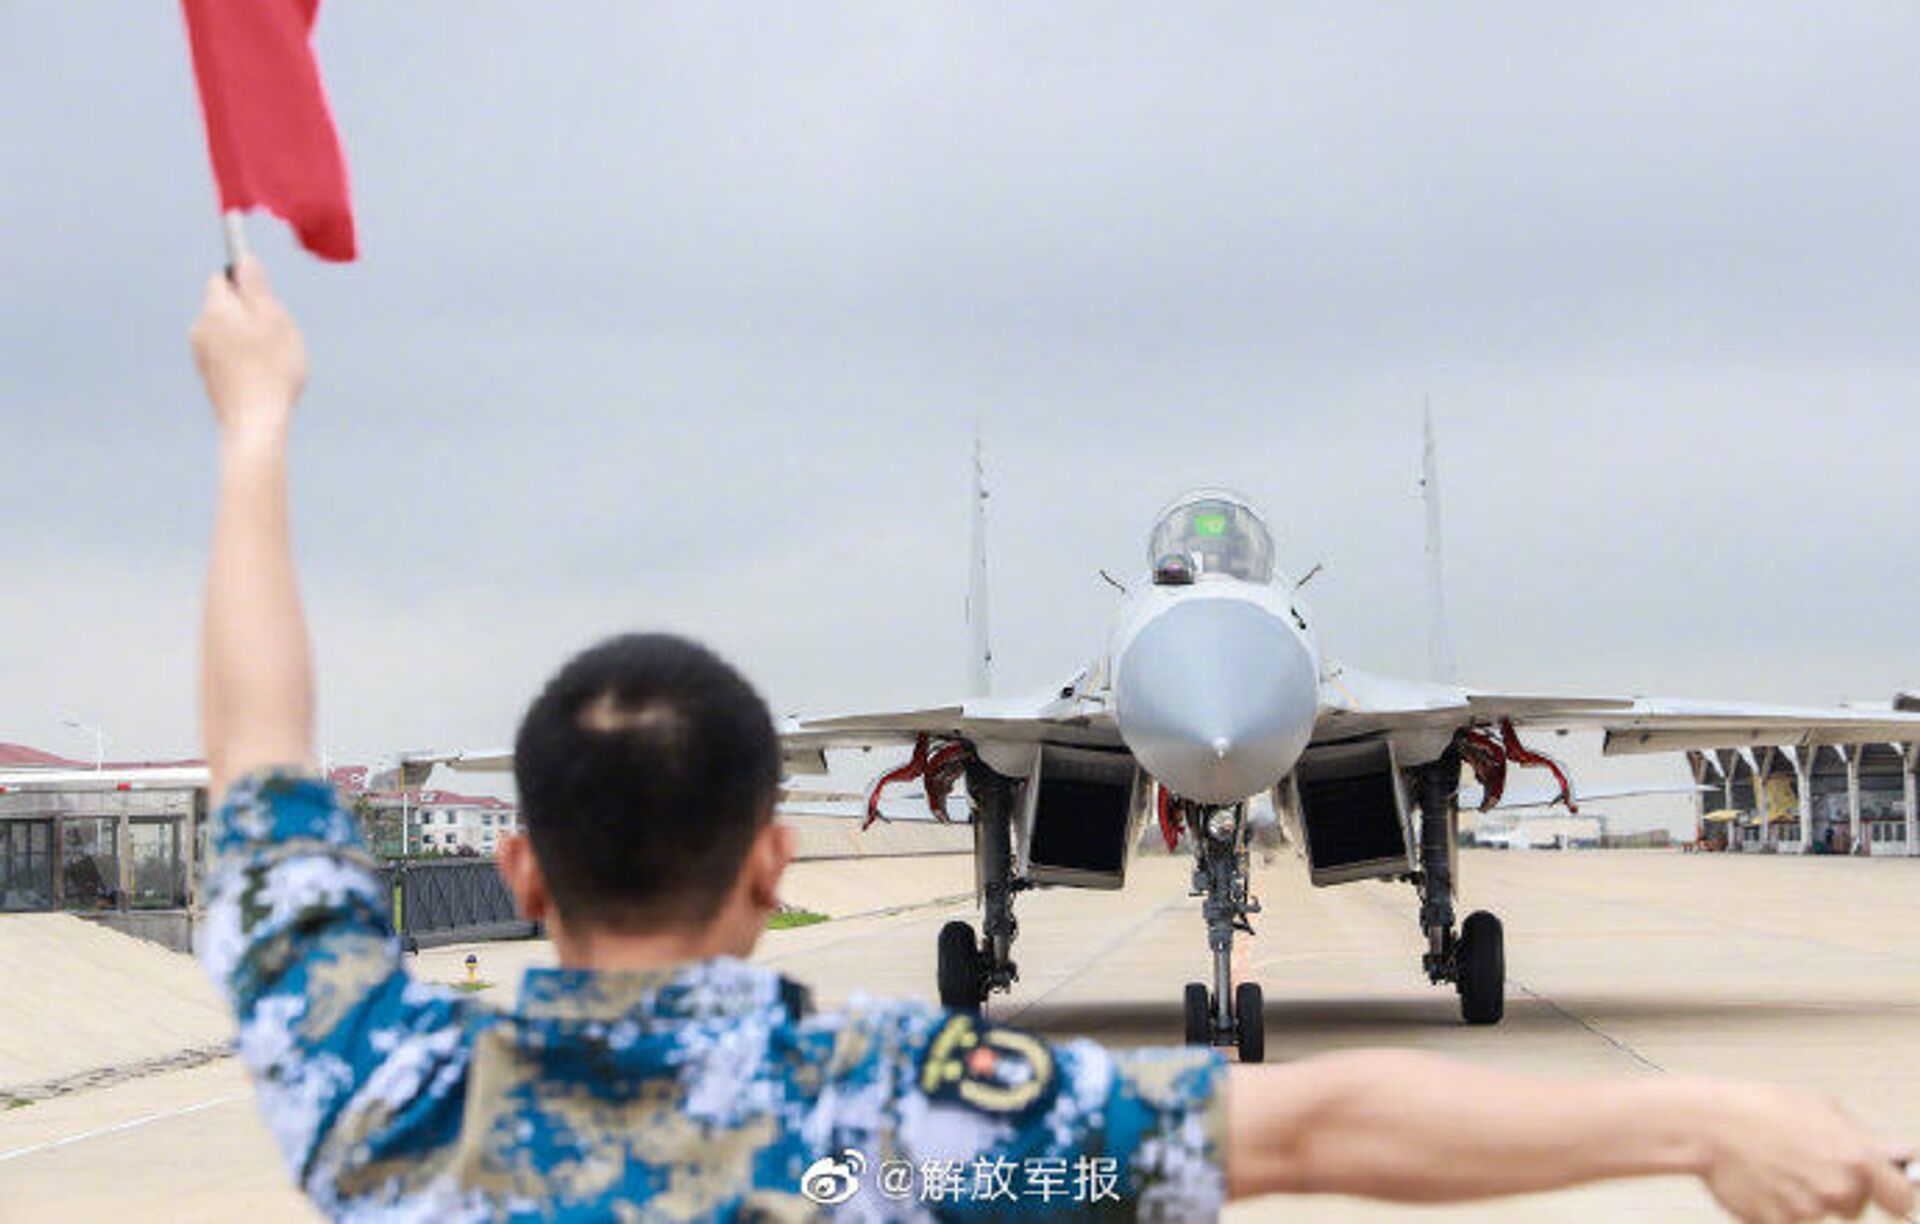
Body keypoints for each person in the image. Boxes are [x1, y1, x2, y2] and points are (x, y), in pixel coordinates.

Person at [191, 260, 1914, 1223]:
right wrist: (1694, 1125)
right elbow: (1304, 1138)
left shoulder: (382, 1090)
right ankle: (996, 931)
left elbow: (260, 786)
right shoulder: (895, 1115)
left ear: (521, 863)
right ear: (767, 855)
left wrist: (252, 432)